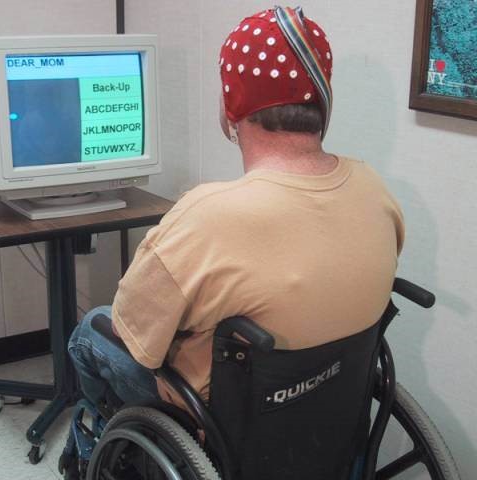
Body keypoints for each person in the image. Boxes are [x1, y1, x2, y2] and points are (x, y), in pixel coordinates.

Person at [68, 6, 404, 412]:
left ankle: (104, 445)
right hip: (331, 409)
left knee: (91, 329)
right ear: (322, 98)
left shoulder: (208, 215)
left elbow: (131, 330)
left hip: (225, 421)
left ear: (232, 104)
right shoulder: (373, 188)